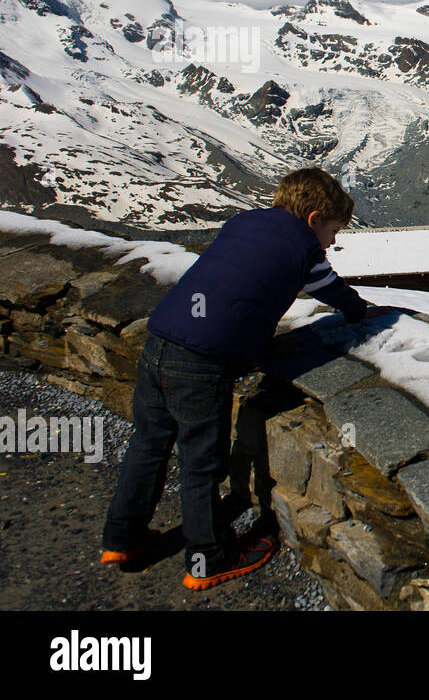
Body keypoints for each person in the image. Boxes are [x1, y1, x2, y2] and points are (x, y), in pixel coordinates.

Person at [101, 168, 370, 591]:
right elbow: (332, 291)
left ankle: (121, 538)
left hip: (160, 341)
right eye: (334, 230)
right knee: (200, 463)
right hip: (201, 362)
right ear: (314, 218)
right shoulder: (305, 249)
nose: (333, 241)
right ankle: (208, 558)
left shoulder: (242, 222)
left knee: (148, 445)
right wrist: (360, 312)